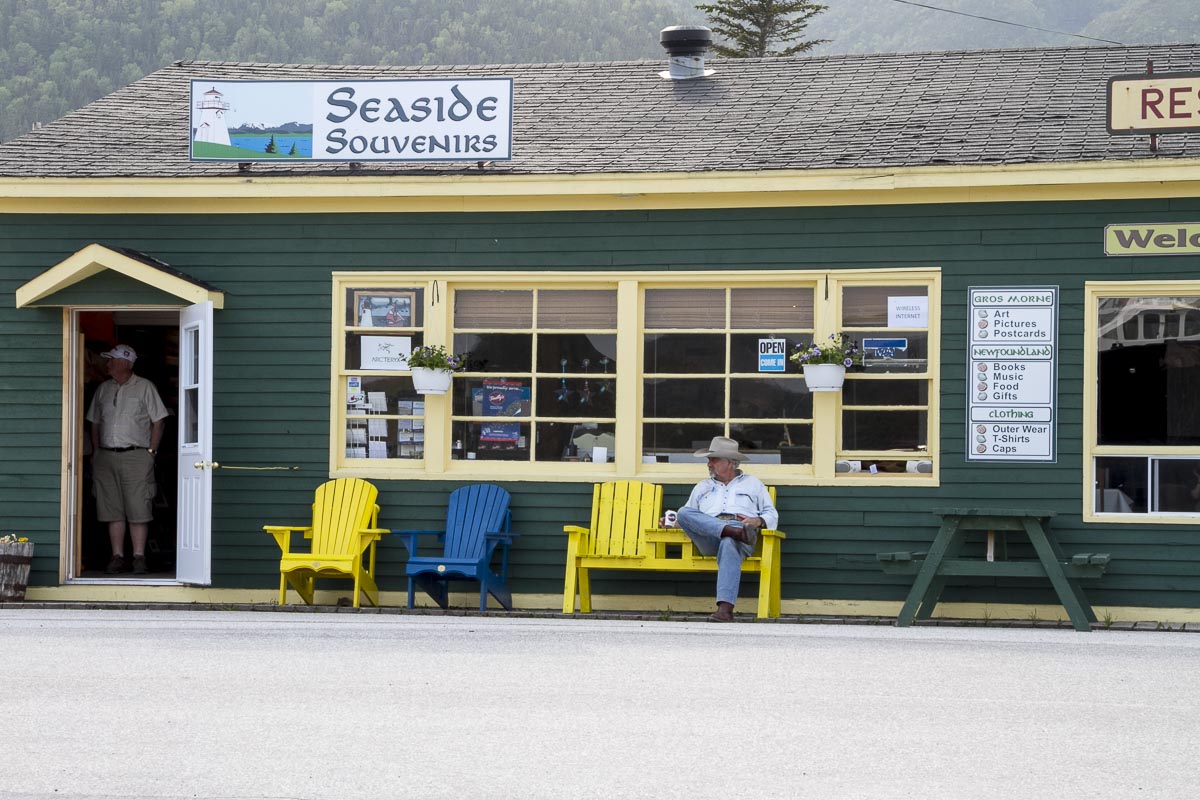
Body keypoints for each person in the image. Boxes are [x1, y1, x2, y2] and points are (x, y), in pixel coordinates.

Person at [672, 436, 778, 622]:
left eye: (714, 459)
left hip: (742, 529)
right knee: (683, 511)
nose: (709, 464)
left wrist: (757, 521)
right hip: (710, 536)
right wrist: (673, 522)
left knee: (729, 542)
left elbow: (772, 514)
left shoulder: (753, 484)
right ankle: (732, 532)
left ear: (730, 463)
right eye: (709, 460)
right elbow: (690, 517)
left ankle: (724, 610)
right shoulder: (702, 486)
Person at [85, 344, 168, 575]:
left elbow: (159, 421)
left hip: (136, 455)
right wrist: (96, 451)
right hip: (106, 456)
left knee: (138, 506)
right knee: (112, 508)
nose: (108, 363)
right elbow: (94, 422)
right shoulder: (103, 389)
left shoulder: (144, 387)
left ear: (125, 362)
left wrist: (151, 452)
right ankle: (117, 556)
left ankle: (139, 557)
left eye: (111, 359)